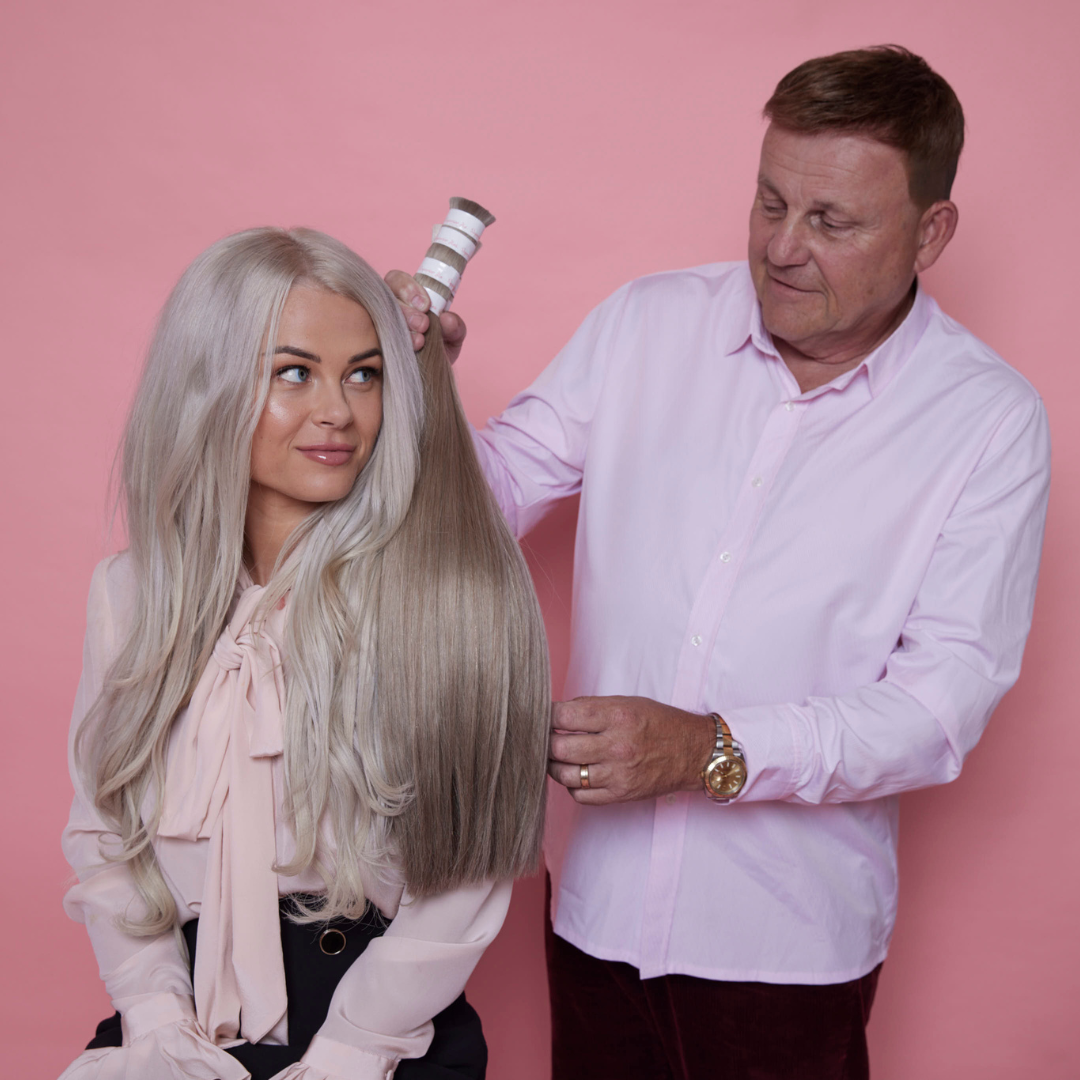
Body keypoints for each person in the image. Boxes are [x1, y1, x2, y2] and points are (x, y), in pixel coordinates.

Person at [389, 46, 1052, 1080]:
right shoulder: (647, 322)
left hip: (787, 947)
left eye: (831, 221)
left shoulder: (988, 422)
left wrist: (709, 750)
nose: (784, 247)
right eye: (769, 202)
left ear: (932, 232)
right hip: (594, 910)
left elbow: (937, 711)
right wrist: (403, 398)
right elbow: (489, 501)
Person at [59, 227, 551, 1080]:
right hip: (182, 1012)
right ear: (207, 385)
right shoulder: (131, 593)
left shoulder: (442, 595)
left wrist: (351, 1051)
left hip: (381, 1023)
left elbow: (467, 871)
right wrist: (152, 1015)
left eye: (364, 373)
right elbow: (106, 831)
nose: (340, 411)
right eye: (296, 373)